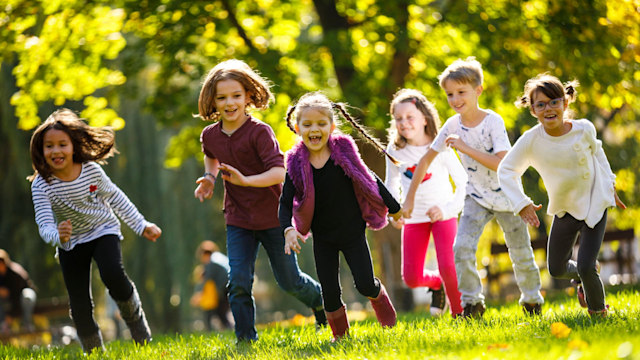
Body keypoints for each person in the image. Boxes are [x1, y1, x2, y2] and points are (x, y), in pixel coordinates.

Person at [193, 59, 325, 343]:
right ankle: (245, 340)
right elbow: (211, 155)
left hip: (274, 218)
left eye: (236, 95)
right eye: (222, 97)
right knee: (238, 280)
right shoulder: (210, 135)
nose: (230, 103)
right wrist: (209, 177)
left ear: (249, 96)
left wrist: (245, 180)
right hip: (238, 219)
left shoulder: (259, 132)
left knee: (290, 281)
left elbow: (279, 172)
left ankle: (323, 303)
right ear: (212, 100)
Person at [402, 57, 544, 318]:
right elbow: (425, 161)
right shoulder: (451, 125)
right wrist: (408, 199)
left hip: (506, 195)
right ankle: (472, 303)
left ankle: (532, 300)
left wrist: (465, 147)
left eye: (461, 92)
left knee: (520, 250)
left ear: (478, 90)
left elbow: (502, 163)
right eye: (449, 94)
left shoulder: (493, 122)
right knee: (462, 249)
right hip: (476, 197)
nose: (455, 99)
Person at [28, 109, 162, 353]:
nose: (56, 151)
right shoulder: (41, 184)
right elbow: (44, 224)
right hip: (70, 242)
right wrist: (59, 236)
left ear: (73, 145)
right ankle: (95, 352)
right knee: (79, 305)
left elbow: (117, 198)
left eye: (62, 144)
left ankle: (137, 325)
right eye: (49, 146)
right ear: (41, 149)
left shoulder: (90, 170)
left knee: (113, 275)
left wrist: (141, 225)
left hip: (103, 229)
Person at [498, 74, 626, 317]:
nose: (549, 108)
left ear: (565, 103)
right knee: (556, 268)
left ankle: (598, 313)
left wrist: (610, 186)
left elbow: (599, 155)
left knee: (587, 266)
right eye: (541, 104)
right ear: (533, 110)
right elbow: (505, 170)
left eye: (554, 102)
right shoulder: (531, 141)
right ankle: (586, 273)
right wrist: (521, 203)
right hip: (565, 209)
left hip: (594, 205)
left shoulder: (584, 129)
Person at [279, 92, 402, 342]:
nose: (315, 129)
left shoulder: (342, 151)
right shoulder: (295, 162)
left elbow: (370, 179)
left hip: (352, 232)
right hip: (323, 236)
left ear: (332, 126)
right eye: (308, 124)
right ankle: (340, 336)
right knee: (330, 292)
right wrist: (288, 229)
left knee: (365, 284)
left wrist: (395, 207)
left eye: (321, 124)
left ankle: (380, 298)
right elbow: (284, 200)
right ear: (297, 127)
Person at [384, 89, 467, 318]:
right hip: (414, 218)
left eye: (410, 117)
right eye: (398, 119)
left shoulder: (440, 146)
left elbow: (462, 183)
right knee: (411, 278)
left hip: (443, 214)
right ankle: (436, 284)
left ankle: (460, 314)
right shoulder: (395, 150)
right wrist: (394, 212)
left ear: (424, 118)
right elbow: (390, 183)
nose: (404, 123)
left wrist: (447, 209)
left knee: (449, 266)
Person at [190, 240, 232, 331]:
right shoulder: (219, 257)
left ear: (205, 254)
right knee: (221, 313)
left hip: (225, 288)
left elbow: (206, 280)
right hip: (230, 285)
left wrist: (198, 295)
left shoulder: (211, 262)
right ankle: (230, 329)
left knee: (219, 312)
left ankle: (228, 329)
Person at [0, 249, 37, 333]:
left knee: (27, 296)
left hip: (22, 297)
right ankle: (2, 325)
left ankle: (27, 325)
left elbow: (16, 294)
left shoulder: (15, 273)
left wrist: (10, 314)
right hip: (8, 302)